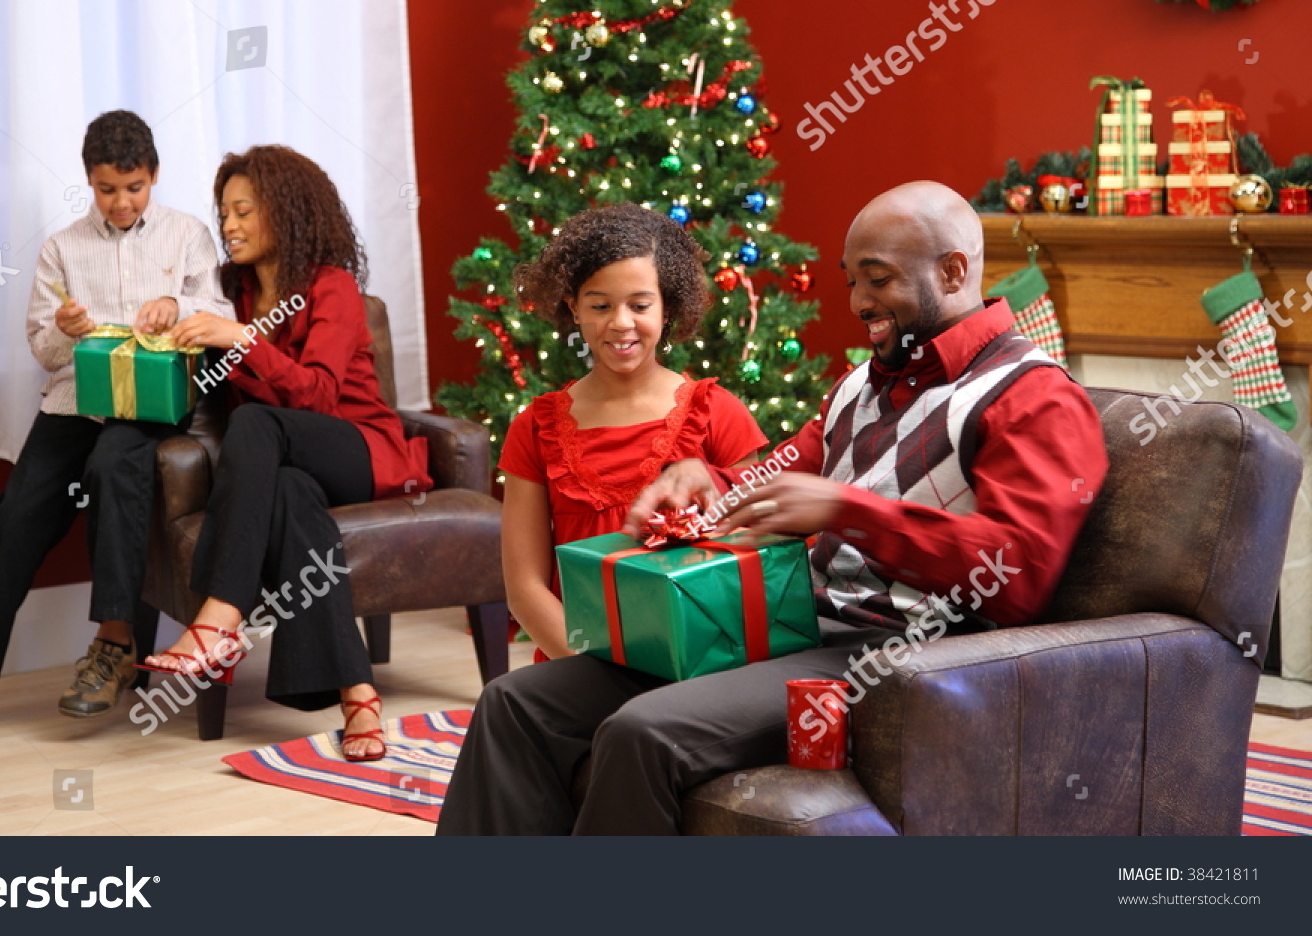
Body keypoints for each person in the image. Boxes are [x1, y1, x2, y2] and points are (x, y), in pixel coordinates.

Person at [436, 180, 1109, 834]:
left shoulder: (1033, 398)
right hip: (791, 630)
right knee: (514, 703)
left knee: (643, 732)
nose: (858, 300)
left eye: (878, 279)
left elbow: (1017, 577)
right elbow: (784, 470)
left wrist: (847, 511)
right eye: (851, 279)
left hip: (901, 657)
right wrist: (708, 478)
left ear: (955, 270)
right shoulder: (862, 385)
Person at [0, 110, 232, 741]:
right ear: (89, 181)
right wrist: (64, 331)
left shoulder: (187, 236)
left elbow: (218, 310)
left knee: (114, 466)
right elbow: (44, 353)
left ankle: (111, 646)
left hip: (152, 402)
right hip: (74, 402)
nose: (122, 202)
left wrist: (178, 304)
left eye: (133, 188)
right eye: (108, 189)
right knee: (12, 516)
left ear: (153, 176)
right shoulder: (61, 249)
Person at [138, 145, 431, 761]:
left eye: (245, 210)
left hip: (359, 449)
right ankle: (359, 696)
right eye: (223, 215)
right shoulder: (230, 292)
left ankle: (219, 617)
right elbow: (184, 304)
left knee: (258, 427)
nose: (230, 226)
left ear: (287, 212)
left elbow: (320, 398)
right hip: (293, 469)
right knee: (294, 500)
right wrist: (172, 309)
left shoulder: (332, 286)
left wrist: (243, 342)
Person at [496, 204, 768, 662]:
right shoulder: (534, 428)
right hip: (578, 663)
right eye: (600, 305)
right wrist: (592, 665)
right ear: (573, 309)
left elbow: (753, 556)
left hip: (701, 660)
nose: (621, 323)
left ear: (667, 307)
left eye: (640, 305)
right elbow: (524, 588)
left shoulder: (719, 413)